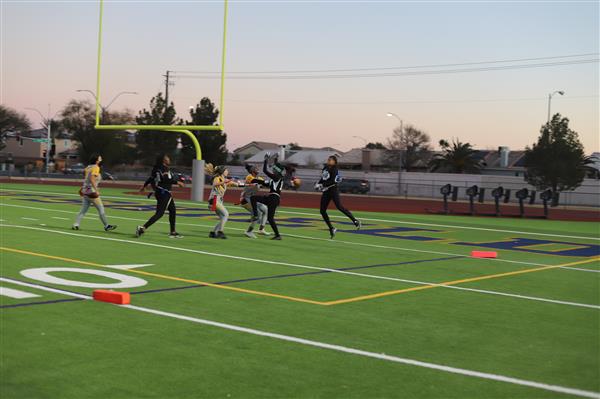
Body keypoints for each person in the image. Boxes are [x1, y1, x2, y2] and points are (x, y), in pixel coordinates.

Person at [136, 154, 184, 238]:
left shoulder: (157, 168)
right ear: (164, 160)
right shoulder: (164, 168)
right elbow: (165, 179)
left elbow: (151, 178)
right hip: (164, 192)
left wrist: (144, 186)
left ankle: (173, 231)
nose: (169, 159)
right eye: (167, 158)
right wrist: (177, 182)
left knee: (172, 210)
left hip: (161, 192)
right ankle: (142, 228)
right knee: (160, 213)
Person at [315, 155, 361, 239]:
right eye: (328, 159)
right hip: (326, 191)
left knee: (339, 207)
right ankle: (331, 228)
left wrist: (322, 185)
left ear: (334, 162)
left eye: (331, 160)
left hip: (333, 191)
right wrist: (318, 183)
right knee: (322, 211)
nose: (329, 161)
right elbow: (323, 178)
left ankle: (355, 220)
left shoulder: (335, 169)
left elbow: (333, 181)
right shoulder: (325, 168)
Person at [249, 153, 289, 241]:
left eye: (274, 169)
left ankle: (255, 215)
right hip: (272, 198)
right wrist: (255, 180)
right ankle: (277, 235)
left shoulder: (277, 177)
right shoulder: (275, 178)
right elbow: (264, 183)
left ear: (277, 171)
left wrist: (266, 160)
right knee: (270, 218)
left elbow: (265, 171)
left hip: (273, 198)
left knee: (253, 198)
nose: (273, 170)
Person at [72, 154, 117, 232]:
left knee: (83, 210)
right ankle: (106, 226)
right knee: (101, 209)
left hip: (85, 191)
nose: (101, 159)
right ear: (96, 160)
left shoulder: (88, 167)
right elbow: (92, 178)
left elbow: (87, 180)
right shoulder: (96, 167)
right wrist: (96, 190)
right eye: (100, 158)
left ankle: (76, 224)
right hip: (91, 192)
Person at [206, 163, 240, 239]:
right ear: (222, 171)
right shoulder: (217, 178)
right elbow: (215, 184)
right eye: (226, 170)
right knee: (226, 214)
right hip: (214, 199)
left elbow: (237, 184)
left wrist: (248, 185)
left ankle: (213, 233)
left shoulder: (225, 180)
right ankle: (220, 232)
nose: (227, 171)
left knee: (222, 217)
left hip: (218, 201)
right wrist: (225, 181)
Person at [240, 164, 270, 238]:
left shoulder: (259, 178)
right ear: (252, 170)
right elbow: (255, 181)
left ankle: (261, 229)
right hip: (245, 199)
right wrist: (263, 182)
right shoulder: (249, 177)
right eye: (256, 169)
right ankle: (249, 231)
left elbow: (265, 183)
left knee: (266, 209)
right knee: (258, 214)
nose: (258, 169)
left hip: (252, 198)